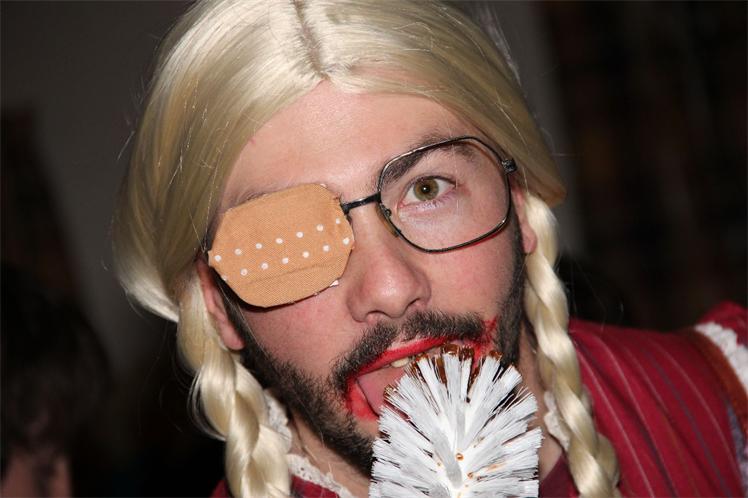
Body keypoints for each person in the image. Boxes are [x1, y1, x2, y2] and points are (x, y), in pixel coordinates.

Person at [112, 1, 747, 496]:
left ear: (518, 199)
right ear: (217, 305)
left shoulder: (728, 400)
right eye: (286, 238)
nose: (390, 287)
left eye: (427, 188)